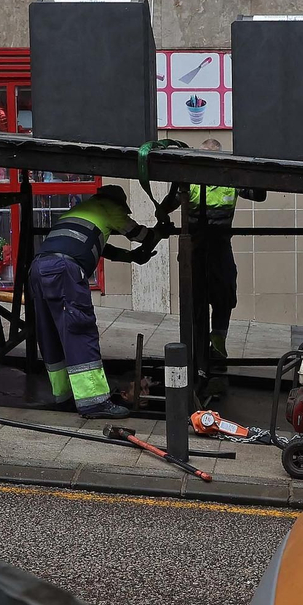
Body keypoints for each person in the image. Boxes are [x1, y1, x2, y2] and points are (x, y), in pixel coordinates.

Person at [29, 185, 167, 419]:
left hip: (39, 268)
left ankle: (63, 397)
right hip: (65, 270)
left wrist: (132, 257)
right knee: (79, 330)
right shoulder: (109, 207)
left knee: (51, 333)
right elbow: (138, 234)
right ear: (118, 204)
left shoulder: (80, 211)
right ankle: (94, 402)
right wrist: (159, 234)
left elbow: (103, 248)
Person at [160, 138, 265, 397]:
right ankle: (200, 361)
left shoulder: (230, 178)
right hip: (196, 249)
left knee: (224, 296)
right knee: (198, 304)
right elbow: (166, 205)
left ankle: (215, 350)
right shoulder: (194, 181)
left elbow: (258, 194)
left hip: (216, 247)